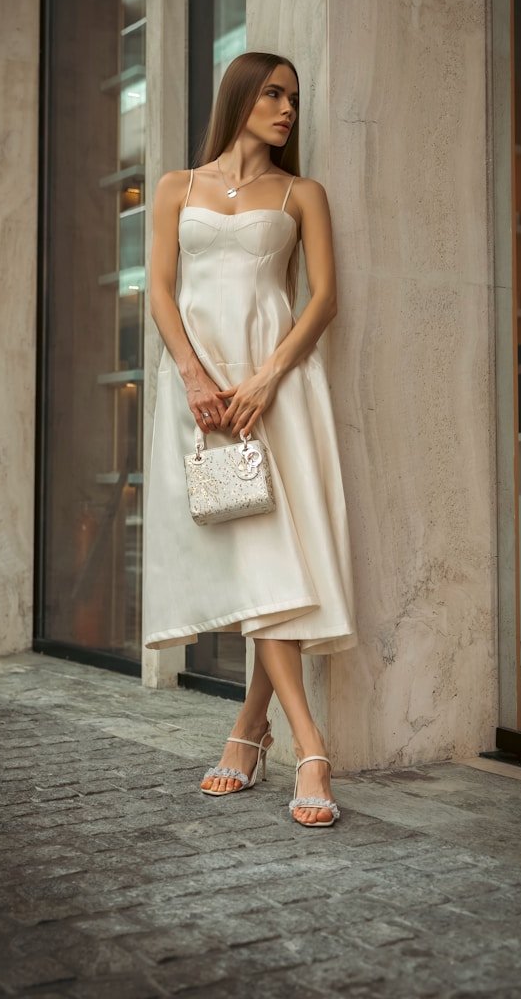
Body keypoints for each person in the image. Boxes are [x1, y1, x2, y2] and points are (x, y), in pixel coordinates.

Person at [144, 51, 356, 827]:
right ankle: (264, 733)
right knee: (251, 562)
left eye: (295, 98)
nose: (288, 109)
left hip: (279, 391)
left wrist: (267, 379)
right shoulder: (176, 187)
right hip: (201, 400)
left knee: (272, 561)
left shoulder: (302, 193)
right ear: (240, 95)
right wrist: (196, 379)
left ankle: (288, 741)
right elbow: (160, 291)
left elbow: (324, 298)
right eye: (273, 93)